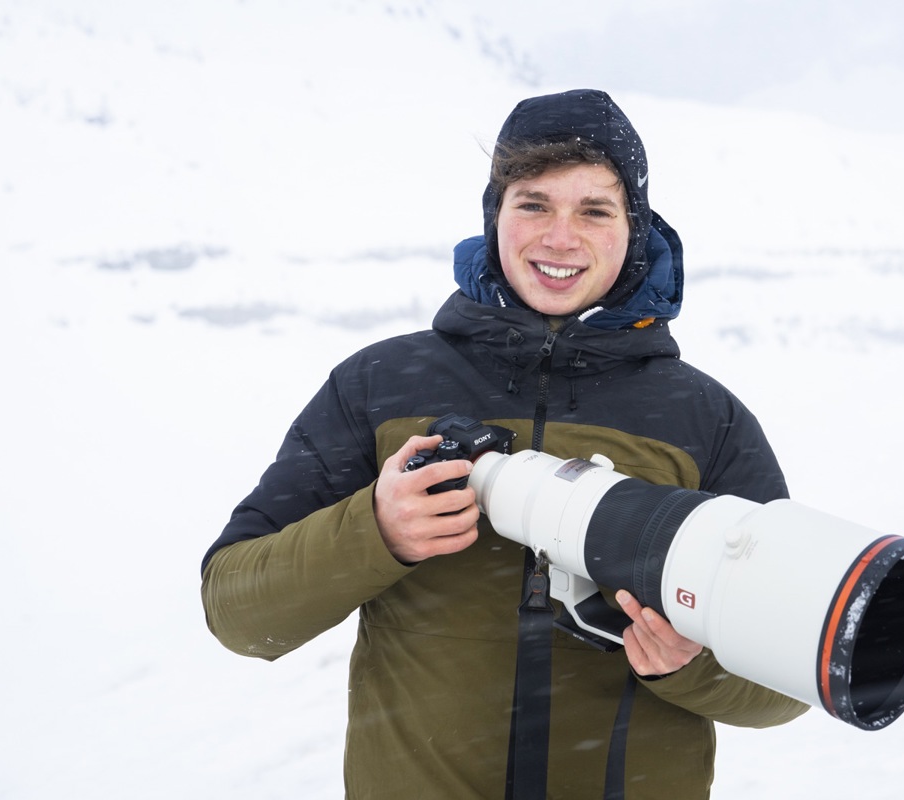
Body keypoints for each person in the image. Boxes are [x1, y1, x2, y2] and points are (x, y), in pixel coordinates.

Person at [201, 89, 809, 799]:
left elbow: (789, 676)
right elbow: (239, 613)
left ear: (634, 229)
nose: (560, 237)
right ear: (495, 216)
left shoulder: (704, 419)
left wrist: (690, 663)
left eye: (594, 209)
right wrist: (376, 530)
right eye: (533, 204)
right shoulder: (380, 385)